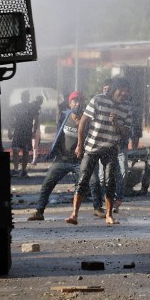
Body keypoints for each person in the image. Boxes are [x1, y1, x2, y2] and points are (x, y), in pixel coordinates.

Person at [27, 91, 104, 221]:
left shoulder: (88, 120)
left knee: (94, 181)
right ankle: (39, 211)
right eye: (75, 101)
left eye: (80, 101)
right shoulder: (64, 116)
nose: (78, 104)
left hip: (81, 160)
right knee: (47, 183)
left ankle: (97, 208)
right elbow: (58, 134)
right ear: (70, 103)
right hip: (62, 158)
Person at [66, 77, 131, 226]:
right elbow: (83, 122)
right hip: (92, 147)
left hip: (111, 148)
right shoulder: (98, 100)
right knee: (83, 180)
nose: (124, 93)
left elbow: (126, 132)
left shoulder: (127, 107)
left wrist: (117, 124)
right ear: (115, 89)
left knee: (110, 181)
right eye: (122, 90)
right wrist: (80, 145)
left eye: (126, 91)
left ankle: (109, 215)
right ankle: (74, 214)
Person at [10, 90, 39, 177]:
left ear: (28, 98)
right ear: (21, 98)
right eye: (23, 96)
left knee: (25, 152)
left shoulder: (32, 107)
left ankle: (23, 170)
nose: (24, 98)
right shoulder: (16, 107)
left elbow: (36, 119)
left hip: (27, 132)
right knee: (15, 151)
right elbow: (11, 119)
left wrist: (34, 131)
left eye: (26, 96)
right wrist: (9, 130)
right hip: (18, 131)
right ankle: (16, 169)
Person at [30, 95, 45, 165]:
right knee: (34, 144)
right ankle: (34, 158)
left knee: (35, 144)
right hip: (34, 127)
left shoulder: (37, 108)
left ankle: (34, 158)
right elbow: (35, 120)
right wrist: (34, 129)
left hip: (36, 127)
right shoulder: (35, 108)